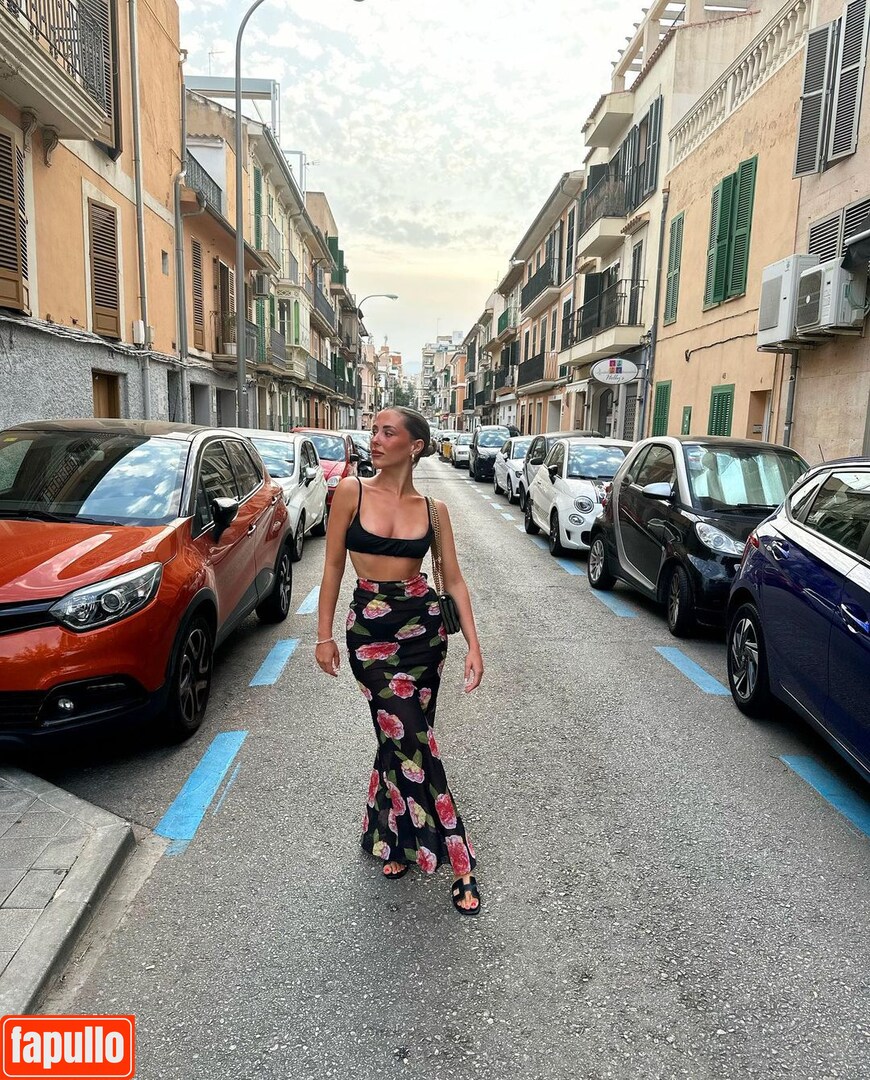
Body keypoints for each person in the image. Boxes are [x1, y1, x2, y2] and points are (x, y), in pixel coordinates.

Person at [315, 407, 484, 915]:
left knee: (403, 738)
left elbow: (453, 580)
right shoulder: (351, 492)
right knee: (411, 737)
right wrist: (322, 636)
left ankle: (388, 835)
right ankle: (460, 858)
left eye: (387, 432)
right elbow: (332, 566)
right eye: (374, 431)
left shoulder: (434, 510)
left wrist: (474, 645)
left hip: (424, 634)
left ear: (415, 446)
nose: (375, 439)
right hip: (370, 634)